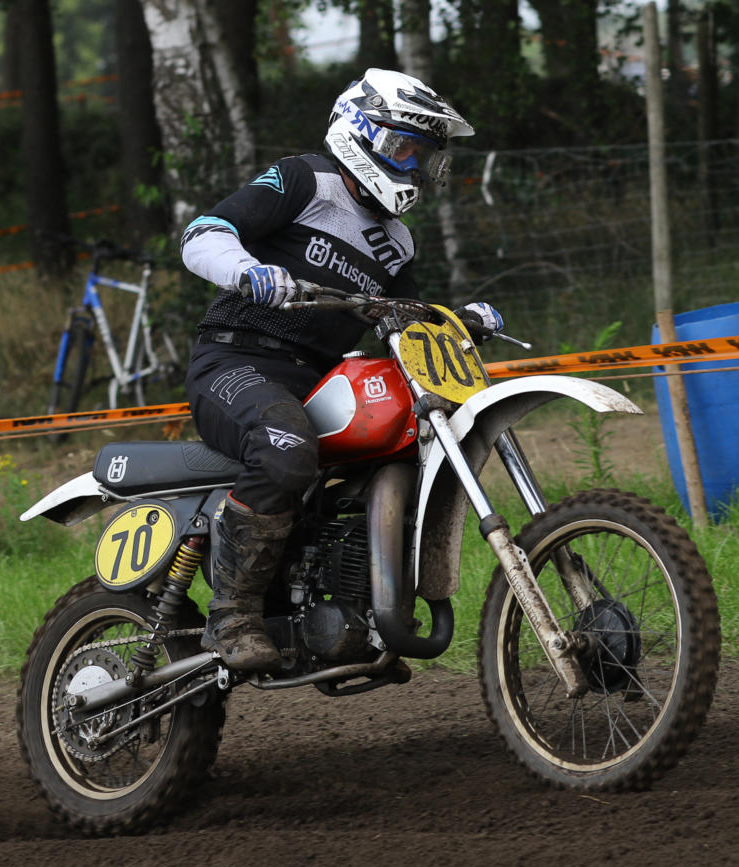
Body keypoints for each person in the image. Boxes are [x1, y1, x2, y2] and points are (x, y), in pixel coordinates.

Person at [180, 68, 504, 671]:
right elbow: (203, 233)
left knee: (403, 446)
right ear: (361, 131)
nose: (413, 167)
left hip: (318, 382)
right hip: (236, 358)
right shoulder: (304, 180)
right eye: (404, 149)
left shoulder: (397, 242)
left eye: (424, 157)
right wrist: (248, 271)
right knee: (284, 447)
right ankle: (232, 615)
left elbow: (407, 316)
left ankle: (359, 609)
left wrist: (459, 320)